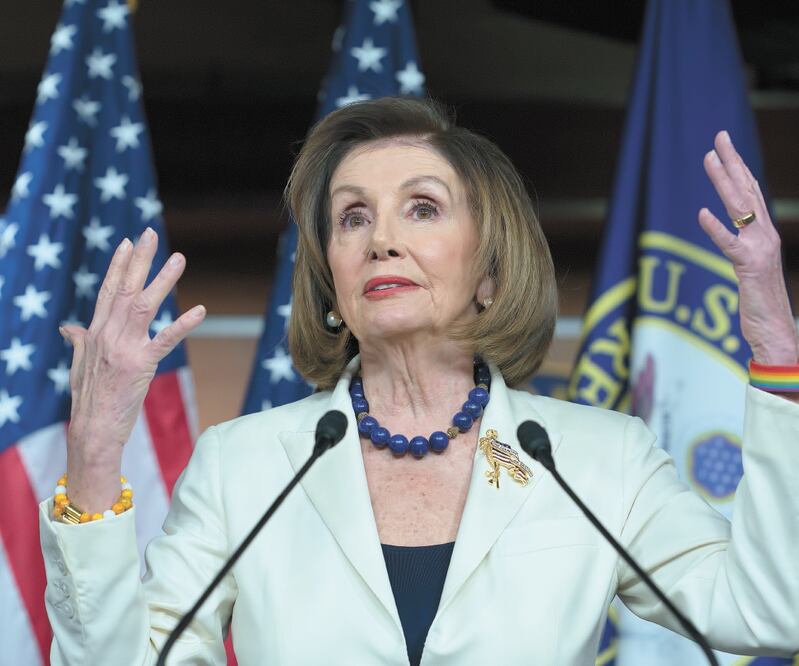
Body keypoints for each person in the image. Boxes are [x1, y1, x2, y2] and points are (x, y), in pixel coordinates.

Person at [40, 97, 799, 665]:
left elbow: (768, 611)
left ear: (490, 272)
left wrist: (775, 351)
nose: (383, 241)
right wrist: (97, 450)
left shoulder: (602, 460)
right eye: (352, 219)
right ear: (331, 281)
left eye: (422, 209)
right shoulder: (243, 466)